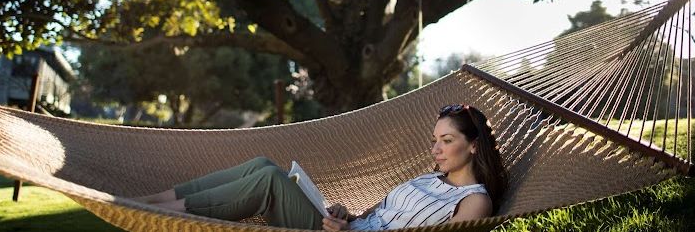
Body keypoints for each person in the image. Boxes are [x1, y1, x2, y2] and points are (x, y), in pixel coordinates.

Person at [134, 104, 508, 230]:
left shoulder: (474, 202)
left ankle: (158, 212)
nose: (437, 149)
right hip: (347, 229)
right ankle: (158, 198)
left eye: (447, 141)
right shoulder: (430, 178)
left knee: (269, 180)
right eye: (435, 140)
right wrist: (346, 215)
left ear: (473, 146)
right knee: (263, 164)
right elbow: (375, 214)